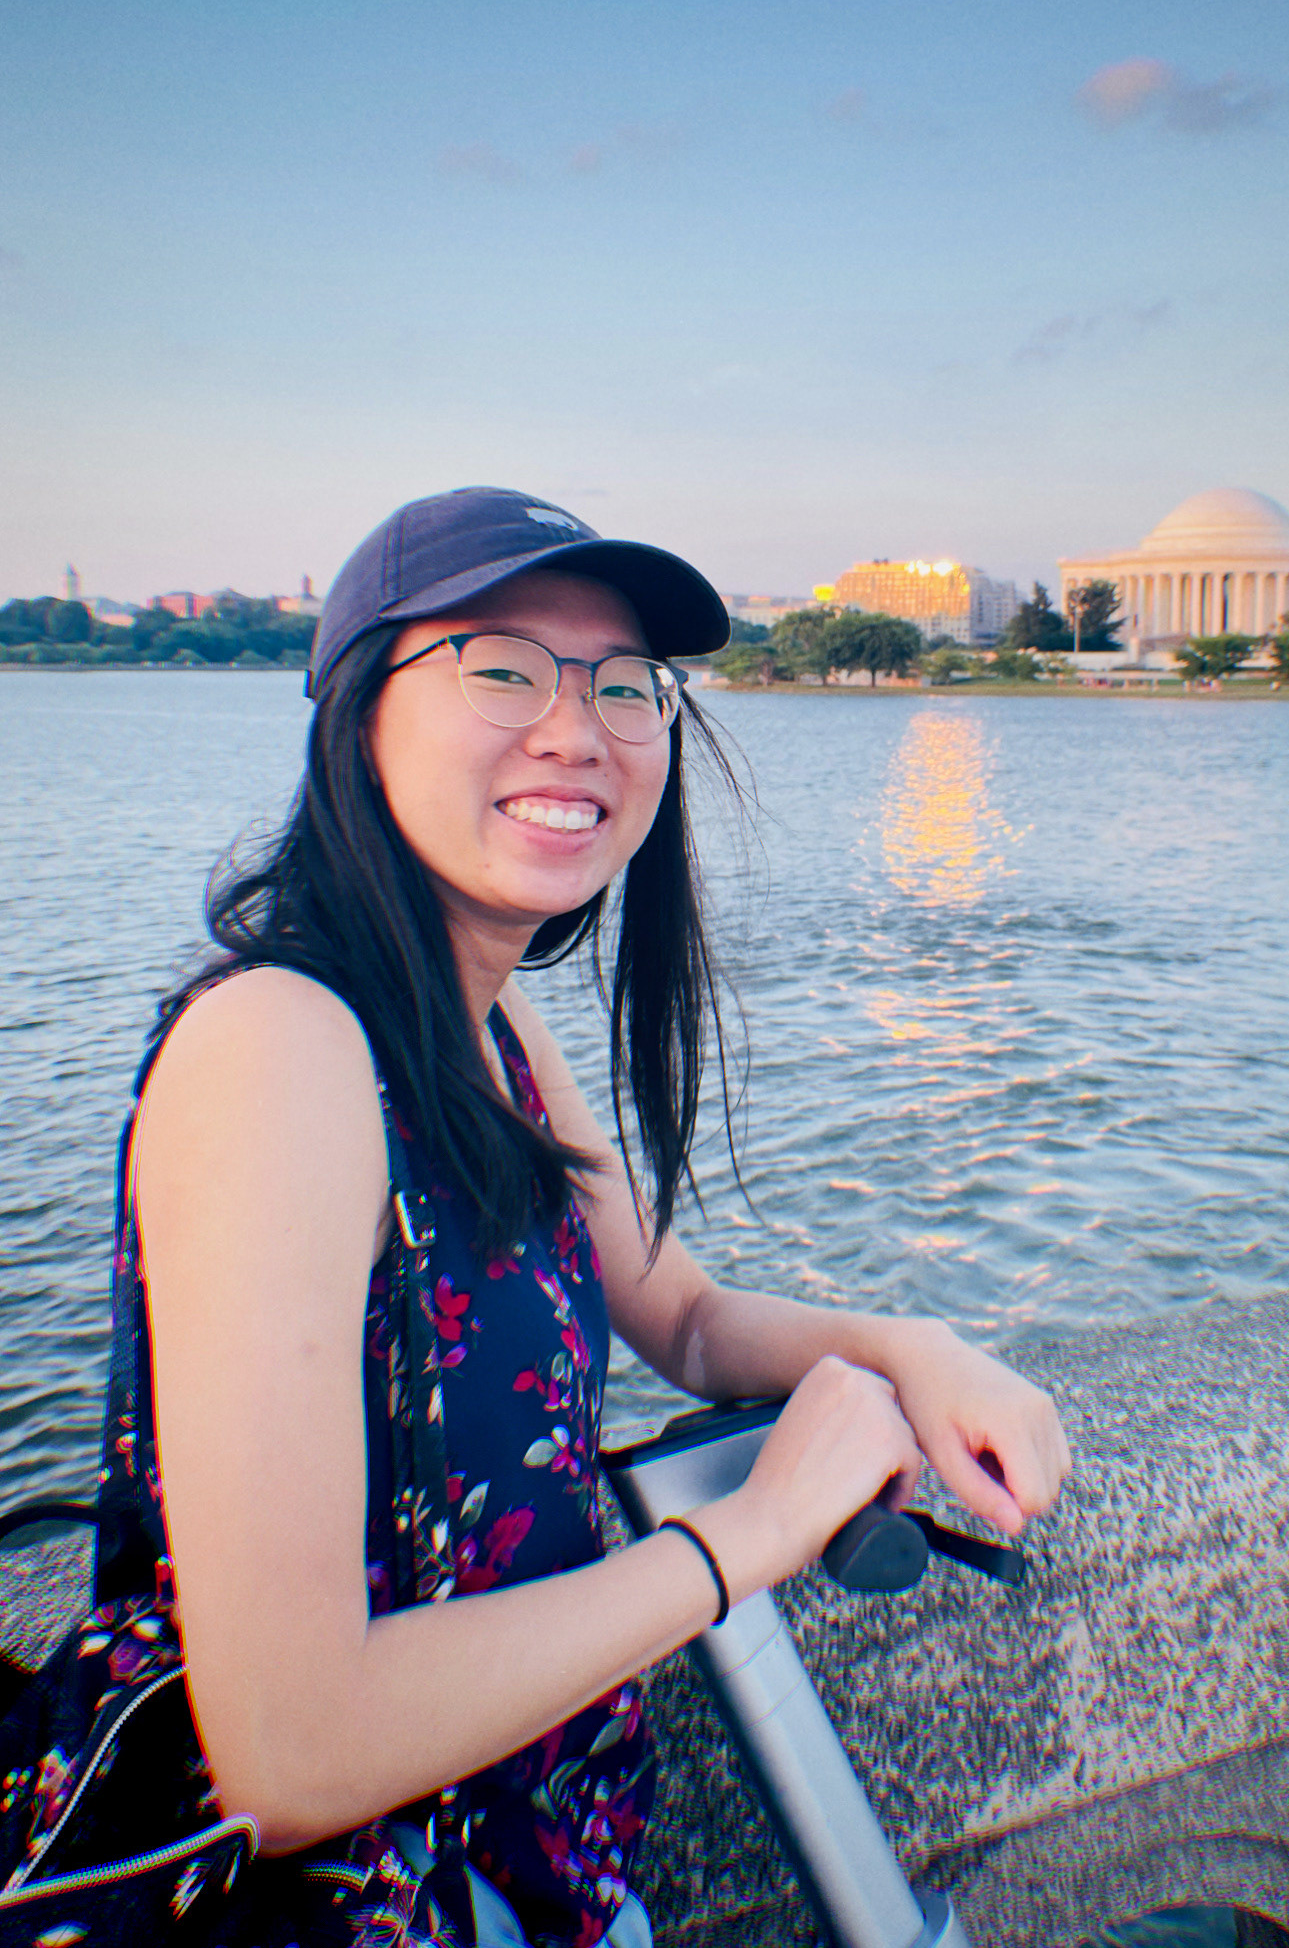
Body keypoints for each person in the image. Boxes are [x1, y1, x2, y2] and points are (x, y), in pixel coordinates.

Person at [120, 487, 1071, 1947]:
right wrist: (744, 1537)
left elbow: (681, 1313)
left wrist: (911, 1343)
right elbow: (288, 1750)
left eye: (625, 687)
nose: (577, 729)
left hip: (530, 1863)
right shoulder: (278, 1046)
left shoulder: (489, 1032)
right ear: (358, 713)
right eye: (500, 666)